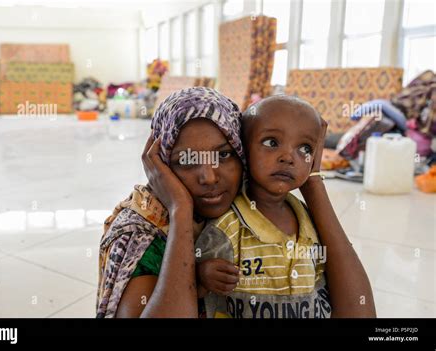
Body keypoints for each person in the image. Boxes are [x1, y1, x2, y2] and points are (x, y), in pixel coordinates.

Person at [195, 95, 376, 318]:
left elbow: (335, 293)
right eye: (271, 142)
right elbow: (191, 291)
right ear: (242, 148)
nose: (289, 157)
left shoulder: (311, 221)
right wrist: (201, 275)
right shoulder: (226, 227)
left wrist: (314, 179)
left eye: (305, 148)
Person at [96, 87, 245, 318]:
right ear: (161, 164)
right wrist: (180, 209)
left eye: (223, 155)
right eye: (187, 160)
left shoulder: (251, 210)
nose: (209, 177)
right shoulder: (139, 234)